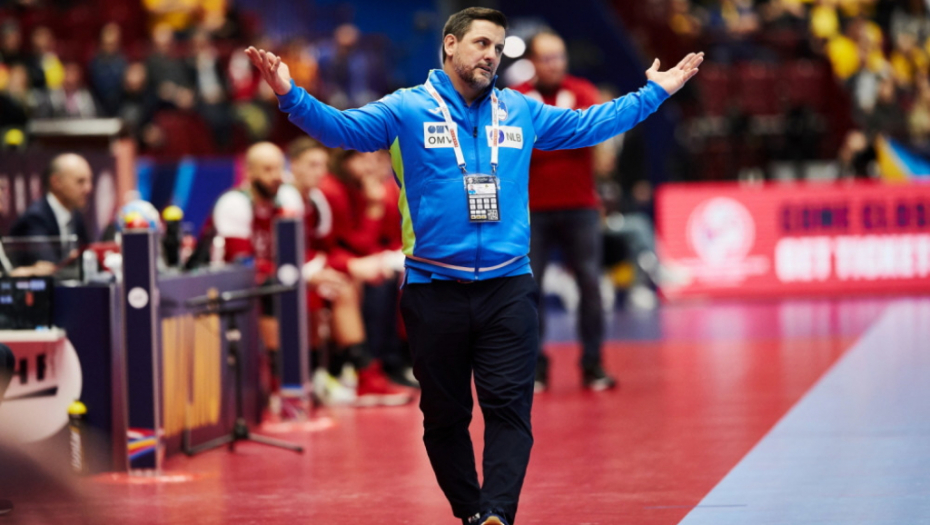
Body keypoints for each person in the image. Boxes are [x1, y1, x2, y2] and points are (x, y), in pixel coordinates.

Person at [246, 7, 701, 524]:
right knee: (445, 418)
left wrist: (653, 93)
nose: (491, 55)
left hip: (508, 287)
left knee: (510, 409)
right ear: (450, 44)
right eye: (482, 43)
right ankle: (471, 513)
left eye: (498, 48)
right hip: (434, 288)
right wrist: (289, 94)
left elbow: (589, 123)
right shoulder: (407, 109)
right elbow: (341, 129)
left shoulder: (520, 110)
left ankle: (497, 514)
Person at [514, 30, 617, 393]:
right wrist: (568, 135)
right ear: (532, 61)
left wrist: (542, 140)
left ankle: (593, 364)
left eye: (559, 56)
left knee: (590, 283)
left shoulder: (583, 91)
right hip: (532, 211)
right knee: (528, 288)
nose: (554, 64)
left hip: (580, 207)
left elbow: (591, 135)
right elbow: (514, 147)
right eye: (547, 58)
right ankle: (535, 369)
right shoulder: (516, 98)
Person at [8, 153, 93, 266]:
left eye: (90, 181)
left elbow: (90, 255)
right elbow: (48, 266)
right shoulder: (35, 218)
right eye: (80, 181)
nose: (88, 188)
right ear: (56, 182)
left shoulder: (76, 216)